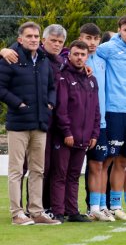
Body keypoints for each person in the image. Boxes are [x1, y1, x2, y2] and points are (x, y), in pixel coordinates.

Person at [0, 22, 57, 225]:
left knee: (37, 170)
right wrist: (19, 104)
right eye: (29, 36)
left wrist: (51, 103)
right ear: (20, 39)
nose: (33, 39)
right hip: (18, 124)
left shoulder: (43, 61)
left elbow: (52, 86)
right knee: (16, 170)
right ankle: (17, 213)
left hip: (40, 123)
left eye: (36, 36)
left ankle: (36, 211)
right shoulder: (9, 59)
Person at [94, 14, 126, 222]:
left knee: (124, 160)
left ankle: (116, 205)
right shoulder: (108, 48)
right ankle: (99, 205)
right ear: (119, 30)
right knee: (107, 160)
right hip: (114, 110)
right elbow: (84, 52)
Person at [48, 40, 99, 223]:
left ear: (87, 57)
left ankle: (72, 211)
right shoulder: (62, 77)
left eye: (82, 55)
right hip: (65, 137)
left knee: (74, 175)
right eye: (76, 54)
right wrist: (66, 132)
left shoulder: (91, 79)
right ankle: (58, 211)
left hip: (85, 137)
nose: (79, 58)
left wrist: (94, 134)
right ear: (69, 55)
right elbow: (60, 109)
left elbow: (96, 110)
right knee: (60, 174)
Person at [78, 24, 113, 221]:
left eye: (95, 39)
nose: (91, 43)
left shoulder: (103, 60)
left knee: (98, 164)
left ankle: (97, 206)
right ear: (80, 38)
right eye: (87, 38)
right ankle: (75, 206)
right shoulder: (74, 58)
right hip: (78, 123)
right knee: (76, 168)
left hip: (101, 122)